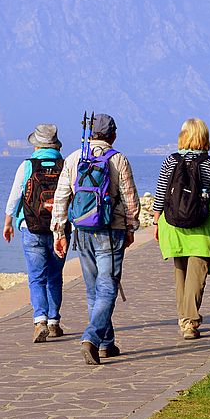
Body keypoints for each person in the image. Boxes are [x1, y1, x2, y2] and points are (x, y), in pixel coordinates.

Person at [51, 113, 140, 365]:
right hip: (111, 232)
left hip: (82, 232)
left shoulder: (73, 158)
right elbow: (131, 199)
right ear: (113, 135)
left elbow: (61, 199)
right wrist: (131, 228)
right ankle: (91, 338)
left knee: (93, 291)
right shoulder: (118, 160)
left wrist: (59, 233)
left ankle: (106, 344)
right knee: (108, 288)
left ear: (90, 134)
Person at [152, 118, 210, 340]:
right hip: (202, 224)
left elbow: (161, 194)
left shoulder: (170, 161)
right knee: (198, 272)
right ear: (204, 137)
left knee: (181, 272)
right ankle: (190, 322)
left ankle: (184, 318)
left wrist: (156, 222)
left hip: (173, 224)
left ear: (183, 136)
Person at [3, 123, 67, 344]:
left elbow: (15, 196)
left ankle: (40, 319)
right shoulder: (64, 164)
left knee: (36, 276)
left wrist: (8, 221)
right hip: (59, 228)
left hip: (31, 228)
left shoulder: (27, 165)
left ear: (36, 144)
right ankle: (54, 322)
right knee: (55, 276)